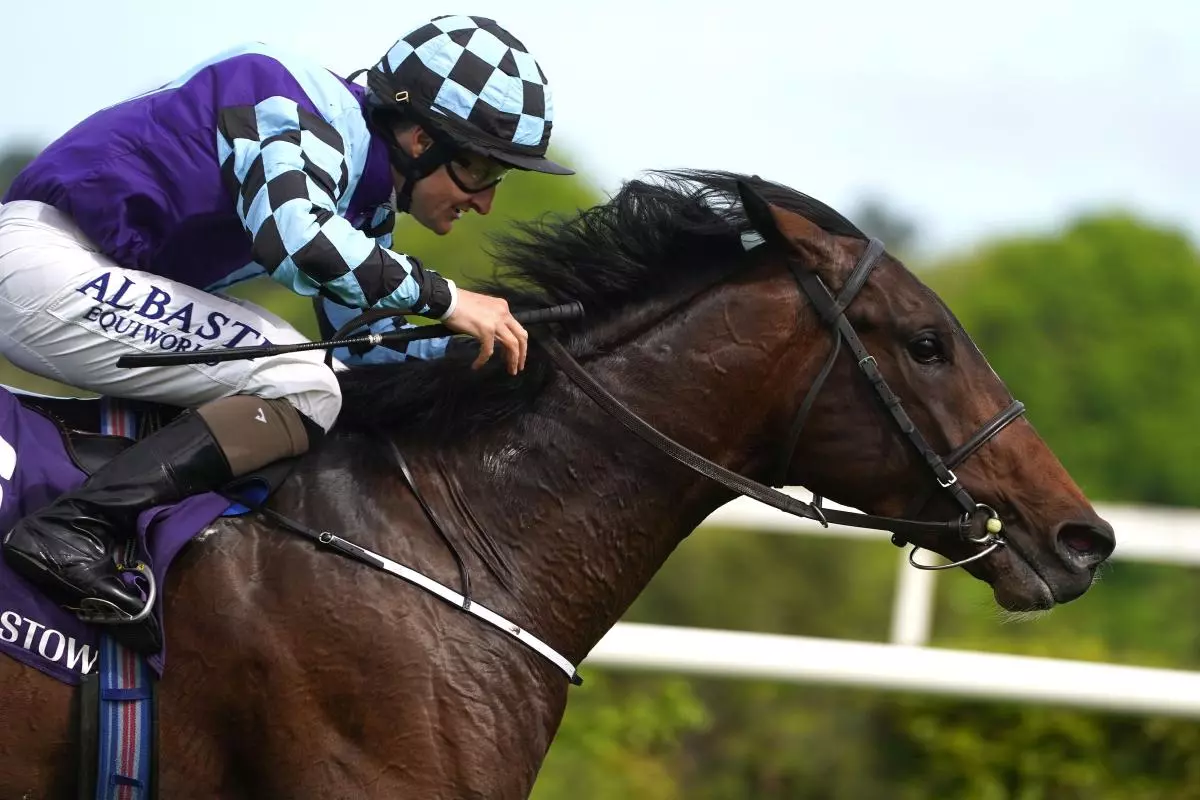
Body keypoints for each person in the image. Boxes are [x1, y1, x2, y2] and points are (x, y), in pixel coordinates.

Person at [0, 15, 572, 652]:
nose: (486, 201)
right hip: (44, 263)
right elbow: (296, 241)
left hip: (80, 272)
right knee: (300, 381)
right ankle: (75, 527)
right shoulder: (289, 99)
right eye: (480, 170)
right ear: (419, 138)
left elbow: (368, 346)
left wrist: (485, 353)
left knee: (317, 374)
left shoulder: (362, 190)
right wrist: (448, 300)